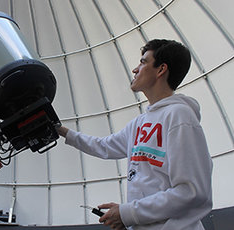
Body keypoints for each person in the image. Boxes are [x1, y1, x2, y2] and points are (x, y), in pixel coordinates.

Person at [57, 39, 213, 230]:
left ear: (161, 69)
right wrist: (61, 131)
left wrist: (128, 213)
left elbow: (191, 191)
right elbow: (104, 146)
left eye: (143, 62)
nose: (135, 69)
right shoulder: (139, 123)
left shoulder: (180, 116)